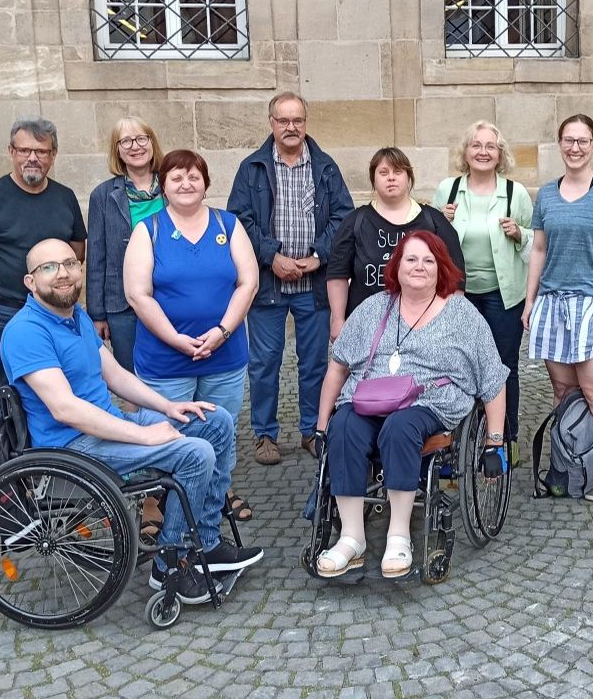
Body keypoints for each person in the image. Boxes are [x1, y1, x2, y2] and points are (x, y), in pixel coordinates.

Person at [0, 238, 264, 605]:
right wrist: (143, 434)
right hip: (71, 447)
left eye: (69, 263)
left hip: (106, 426)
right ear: (30, 281)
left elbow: (117, 376)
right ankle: (171, 564)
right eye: (49, 267)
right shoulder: (26, 331)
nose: (62, 273)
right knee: (196, 454)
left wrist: (168, 407)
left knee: (214, 420)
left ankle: (205, 541)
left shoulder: (75, 316)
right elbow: (65, 410)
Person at [314, 231, 509, 578]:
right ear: (397, 266)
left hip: (430, 401)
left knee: (400, 427)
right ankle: (352, 537)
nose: (419, 267)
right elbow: (338, 365)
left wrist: (494, 442)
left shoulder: (462, 315)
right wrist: (321, 424)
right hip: (370, 396)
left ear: (441, 269)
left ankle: (399, 535)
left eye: (429, 261)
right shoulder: (374, 307)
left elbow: (493, 380)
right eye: (411, 259)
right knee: (342, 427)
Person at [124, 149, 259, 522]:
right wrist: (174, 339)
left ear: (206, 183)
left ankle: (215, 496)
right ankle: (154, 504)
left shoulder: (227, 225)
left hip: (224, 355)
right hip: (166, 360)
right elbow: (138, 294)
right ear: (163, 186)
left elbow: (248, 282)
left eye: (194, 177)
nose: (186, 184)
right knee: (161, 433)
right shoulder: (147, 230)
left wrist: (222, 331)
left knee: (220, 431)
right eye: (177, 178)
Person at [227, 91, 353, 466]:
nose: (291, 127)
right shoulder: (253, 168)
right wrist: (272, 256)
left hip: (313, 286)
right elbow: (240, 219)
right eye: (283, 121)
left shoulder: (326, 167)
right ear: (271, 123)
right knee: (264, 361)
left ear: (306, 122)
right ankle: (265, 435)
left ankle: (312, 430)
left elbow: (342, 217)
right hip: (268, 284)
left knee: (314, 362)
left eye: (297, 120)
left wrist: (318, 257)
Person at [523, 114, 593, 502]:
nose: (575, 147)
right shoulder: (547, 194)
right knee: (563, 389)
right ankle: (568, 464)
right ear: (560, 144)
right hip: (552, 303)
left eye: (583, 141)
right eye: (568, 140)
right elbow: (538, 249)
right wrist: (531, 300)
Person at [0, 118, 87, 394]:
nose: (33, 158)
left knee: (67, 389)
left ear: (53, 155)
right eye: (25, 150)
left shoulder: (65, 197)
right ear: (11, 152)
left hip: (58, 311)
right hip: (9, 313)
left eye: (41, 151)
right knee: (12, 396)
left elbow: (77, 251)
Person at [433, 120, 533, 448]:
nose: (483, 152)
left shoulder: (513, 193)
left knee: (503, 368)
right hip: (457, 295)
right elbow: (427, 242)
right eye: (476, 145)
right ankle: (459, 440)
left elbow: (537, 243)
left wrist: (519, 233)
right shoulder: (448, 190)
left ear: (500, 153)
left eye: (490, 146)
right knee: (458, 366)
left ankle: (505, 440)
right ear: (466, 151)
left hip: (503, 295)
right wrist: (439, 224)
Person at [328, 146, 464, 339]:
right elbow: (338, 274)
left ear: (409, 177)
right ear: (373, 180)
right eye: (383, 172)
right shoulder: (355, 222)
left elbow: (455, 277)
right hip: (366, 327)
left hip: (423, 328)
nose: (391, 177)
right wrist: (338, 320)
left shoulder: (434, 222)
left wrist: (452, 320)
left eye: (397, 171)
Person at [86, 116, 165, 374]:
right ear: (117, 150)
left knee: (171, 370)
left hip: (169, 295)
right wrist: (97, 314)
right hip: (122, 305)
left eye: (141, 138)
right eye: (126, 141)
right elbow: (96, 256)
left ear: (152, 143)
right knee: (131, 376)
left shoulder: (172, 185)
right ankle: (136, 417)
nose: (135, 146)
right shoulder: (103, 195)